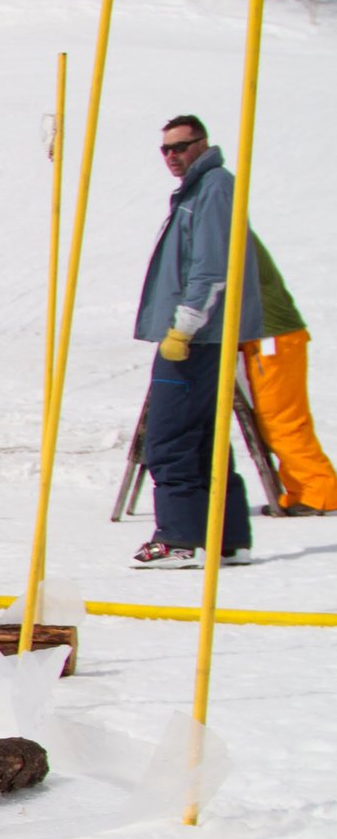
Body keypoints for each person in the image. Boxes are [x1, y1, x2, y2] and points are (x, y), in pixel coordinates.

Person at [130, 114, 264, 570]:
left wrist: (182, 327)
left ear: (203, 144)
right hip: (204, 336)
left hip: (196, 337)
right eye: (165, 149)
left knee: (170, 437)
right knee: (205, 437)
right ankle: (226, 537)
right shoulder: (200, 189)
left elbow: (211, 266)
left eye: (181, 147)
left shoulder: (212, 187)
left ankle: (180, 537)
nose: (172, 156)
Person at [239, 235, 336, 515]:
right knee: (278, 418)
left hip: (272, 337)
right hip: (270, 334)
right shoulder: (225, 221)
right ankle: (303, 489)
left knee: (281, 417)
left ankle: (319, 490)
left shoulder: (220, 223)